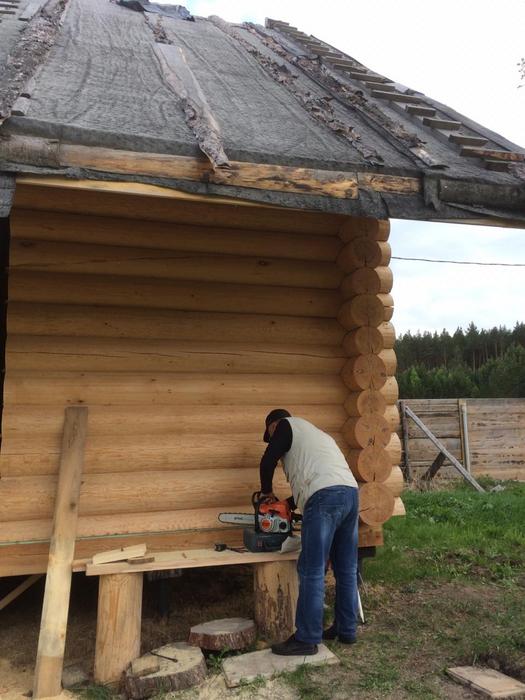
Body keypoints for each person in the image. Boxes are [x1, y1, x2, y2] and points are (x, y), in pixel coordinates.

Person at [259, 408, 359, 656]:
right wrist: (288, 504)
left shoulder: (285, 425)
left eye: (270, 434)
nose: (272, 439)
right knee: (346, 568)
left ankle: (306, 638)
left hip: (324, 497)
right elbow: (322, 477)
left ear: (273, 426)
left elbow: (267, 459)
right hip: (350, 494)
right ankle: (347, 630)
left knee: (312, 568)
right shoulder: (319, 435)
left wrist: (266, 492)